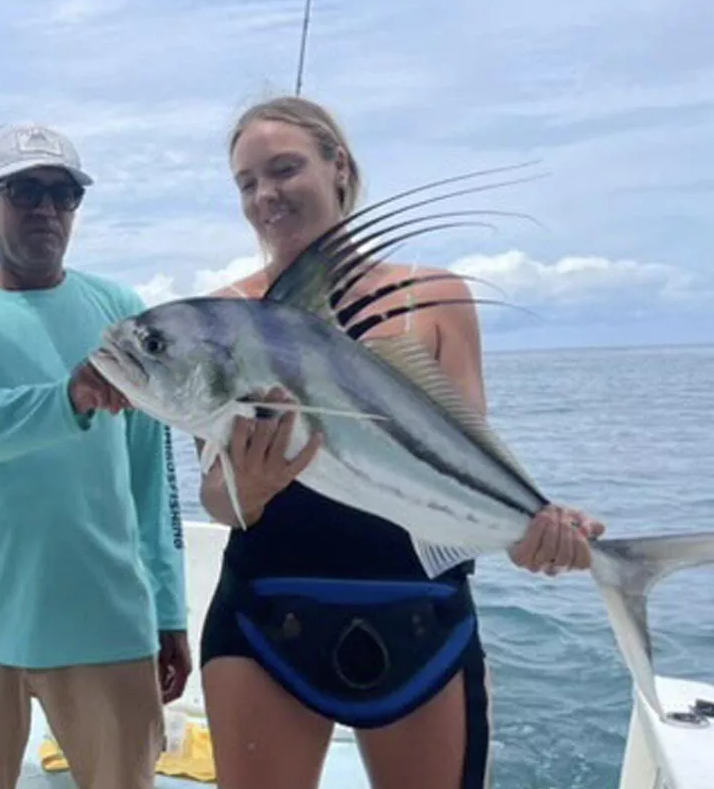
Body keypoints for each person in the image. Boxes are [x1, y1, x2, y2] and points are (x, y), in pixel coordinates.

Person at [194, 95, 608, 789]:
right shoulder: (226, 315)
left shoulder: (433, 296)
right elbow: (217, 499)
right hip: (267, 614)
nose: (266, 194)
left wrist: (537, 525)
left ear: (339, 167)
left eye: (285, 168)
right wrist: (248, 488)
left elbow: (473, 458)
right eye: (247, 182)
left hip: (421, 615)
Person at [0, 122, 190, 789]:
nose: (47, 210)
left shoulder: (120, 311)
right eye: (25, 191)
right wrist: (68, 398)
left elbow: (153, 475)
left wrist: (168, 610)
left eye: (64, 195)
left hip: (108, 622)